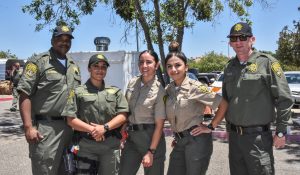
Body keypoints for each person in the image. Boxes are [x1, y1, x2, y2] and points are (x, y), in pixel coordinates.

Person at [221, 22, 293, 175]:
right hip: (235, 139)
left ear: (252, 39)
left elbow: (285, 98)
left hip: (258, 139)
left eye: (243, 37)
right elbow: (226, 101)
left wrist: (281, 132)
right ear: (230, 43)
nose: (238, 42)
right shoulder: (229, 67)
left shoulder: (267, 63)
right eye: (234, 39)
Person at [17, 25, 81, 175]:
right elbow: (24, 94)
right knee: (45, 170)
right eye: (60, 39)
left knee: (68, 170)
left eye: (68, 40)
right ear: (52, 41)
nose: (64, 43)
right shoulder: (38, 62)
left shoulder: (74, 66)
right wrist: (28, 127)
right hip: (46, 130)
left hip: (69, 129)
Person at [165, 41, 226, 175]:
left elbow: (223, 104)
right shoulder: (169, 89)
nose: (173, 69)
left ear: (186, 67)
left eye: (177, 65)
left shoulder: (196, 87)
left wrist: (210, 127)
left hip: (196, 141)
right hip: (179, 141)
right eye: (169, 66)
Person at [62, 53, 129, 174]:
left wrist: (104, 128)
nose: (100, 69)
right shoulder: (78, 92)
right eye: (96, 66)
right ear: (89, 69)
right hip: (86, 147)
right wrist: (94, 130)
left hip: (109, 147)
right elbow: (70, 119)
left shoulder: (115, 92)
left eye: (104, 67)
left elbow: (123, 115)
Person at [120, 50, 166, 175]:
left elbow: (159, 125)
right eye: (141, 62)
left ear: (156, 65)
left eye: (149, 62)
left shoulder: (160, 91)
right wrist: (122, 131)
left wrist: (151, 151)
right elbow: (126, 111)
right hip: (132, 139)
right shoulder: (132, 83)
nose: (144, 66)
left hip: (151, 138)